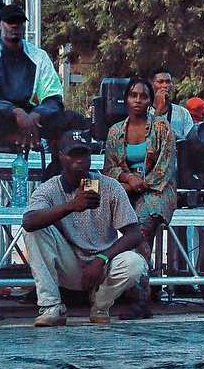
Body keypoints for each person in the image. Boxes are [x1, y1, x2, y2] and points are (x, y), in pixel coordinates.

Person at [23, 130, 146, 327]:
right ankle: (51, 306)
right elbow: (28, 221)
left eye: (84, 154)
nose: (79, 160)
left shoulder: (110, 186)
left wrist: (102, 258)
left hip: (102, 263)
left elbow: (134, 233)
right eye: (73, 153)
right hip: (69, 264)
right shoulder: (49, 188)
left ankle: (100, 305)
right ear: (61, 156)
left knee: (135, 263)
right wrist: (71, 206)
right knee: (36, 228)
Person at [0, 5, 69, 206]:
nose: (15, 27)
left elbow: (54, 97)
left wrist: (35, 116)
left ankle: (53, 188)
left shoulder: (38, 56)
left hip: (31, 118)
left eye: (19, 23)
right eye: (10, 22)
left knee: (72, 121)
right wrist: (14, 112)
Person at [103, 78, 177, 320]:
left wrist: (139, 184)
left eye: (143, 96)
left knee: (139, 227)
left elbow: (165, 168)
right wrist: (126, 178)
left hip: (157, 191)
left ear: (149, 100)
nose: (138, 100)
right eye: (133, 95)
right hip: (126, 189)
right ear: (126, 98)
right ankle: (120, 290)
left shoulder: (162, 128)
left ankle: (140, 298)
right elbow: (109, 168)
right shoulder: (115, 131)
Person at [148, 69, 195, 141]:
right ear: (152, 84)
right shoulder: (145, 112)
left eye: (168, 82)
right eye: (160, 82)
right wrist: (159, 108)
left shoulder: (182, 112)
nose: (165, 85)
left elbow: (190, 141)